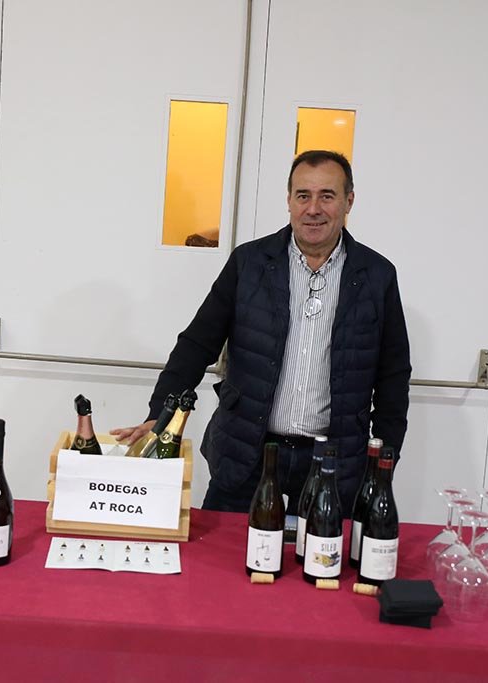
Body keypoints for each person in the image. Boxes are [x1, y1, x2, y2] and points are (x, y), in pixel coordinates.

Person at [111, 150, 411, 515]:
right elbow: (197, 344)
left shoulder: (378, 276)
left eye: (327, 196)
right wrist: (160, 416)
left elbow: (393, 376)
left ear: (349, 201)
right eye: (303, 195)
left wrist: (385, 459)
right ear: (289, 200)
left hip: (333, 465)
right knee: (222, 551)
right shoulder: (249, 263)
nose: (313, 209)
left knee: (323, 553)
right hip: (245, 455)